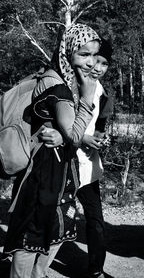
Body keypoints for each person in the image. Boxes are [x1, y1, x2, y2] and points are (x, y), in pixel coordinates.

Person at [2, 23, 101, 278]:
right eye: (83, 54)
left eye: (94, 55)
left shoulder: (67, 82)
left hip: (61, 171)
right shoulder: (58, 86)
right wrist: (88, 97)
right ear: (68, 51)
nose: (91, 62)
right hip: (44, 173)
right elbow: (74, 133)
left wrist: (63, 134)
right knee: (32, 234)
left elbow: (67, 132)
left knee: (57, 230)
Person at [38, 37, 113, 278]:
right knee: (55, 216)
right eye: (92, 59)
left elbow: (99, 126)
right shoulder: (67, 85)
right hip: (63, 163)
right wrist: (83, 139)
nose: (97, 67)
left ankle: (96, 269)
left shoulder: (101, 92)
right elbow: (62, 129)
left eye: (103, 63)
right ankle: (36, 267)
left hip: (88, 167)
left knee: (95, 220)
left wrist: (101, 138)